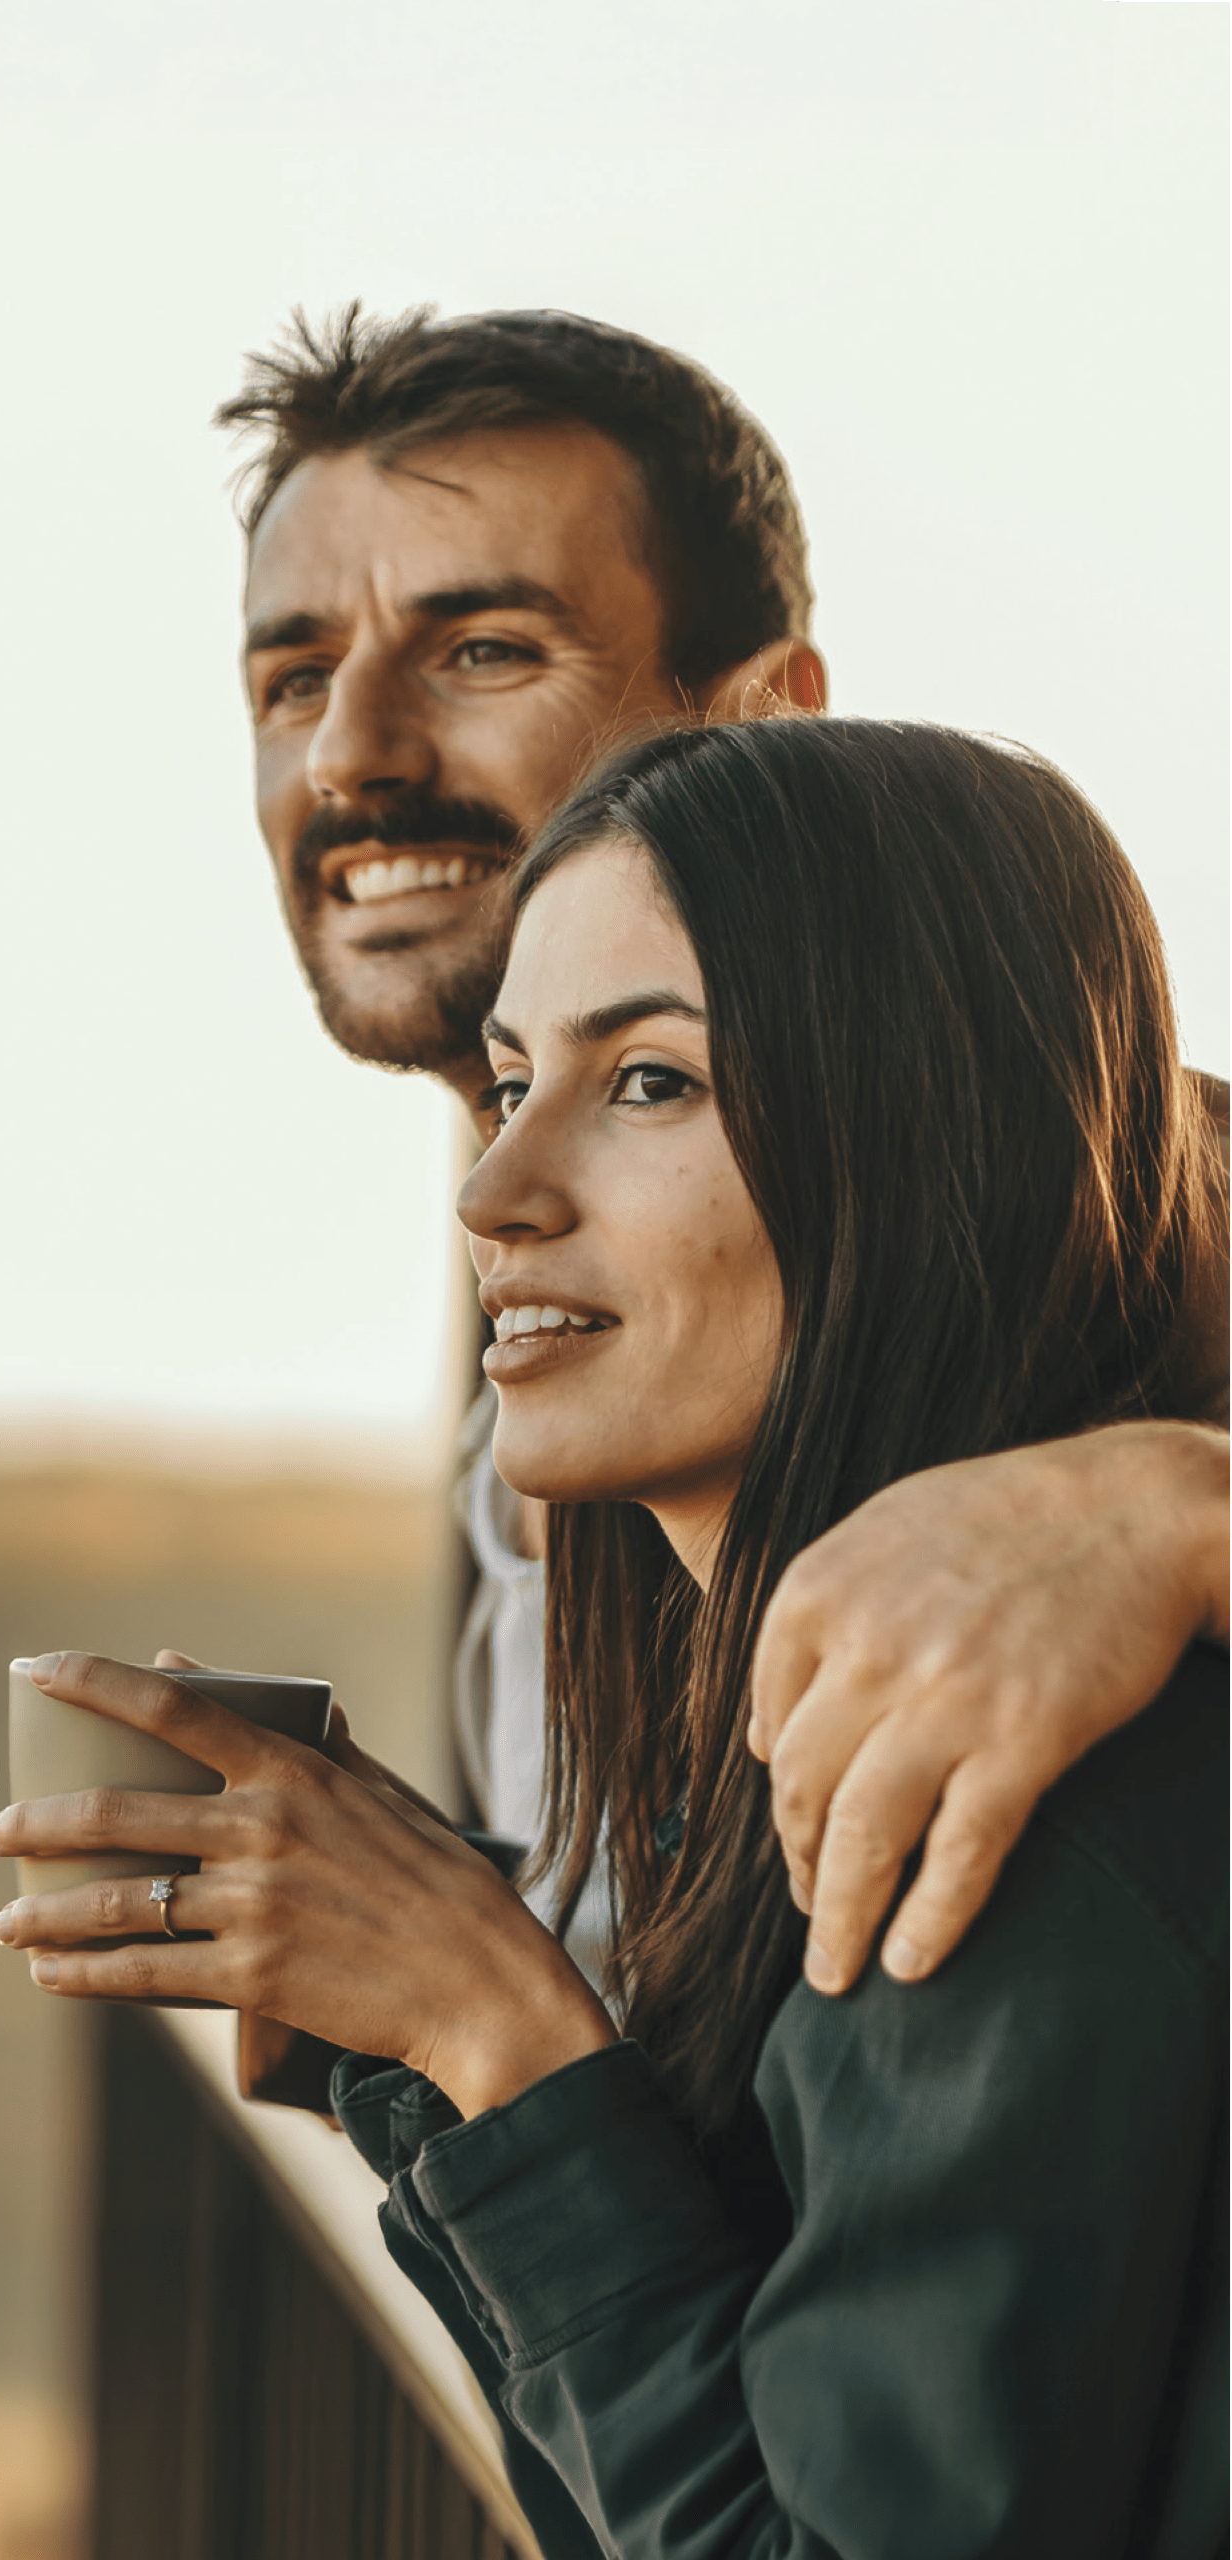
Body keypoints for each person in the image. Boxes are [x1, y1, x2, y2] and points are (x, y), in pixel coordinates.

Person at [0, 717, 1227, 2555]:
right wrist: (392, 2007)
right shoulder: (775, 1773)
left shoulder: (972, 1792)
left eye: (649, 1082)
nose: (495, 1194)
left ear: (915, 1135)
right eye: (507, 1086)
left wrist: (496, 2035)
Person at [221, 303, 1229, 1993]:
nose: (353, 755)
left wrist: (1187, 1509)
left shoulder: (1131, 1180)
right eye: (297, 677)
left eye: (483, 651)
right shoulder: (532, 1313)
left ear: (765, 714)